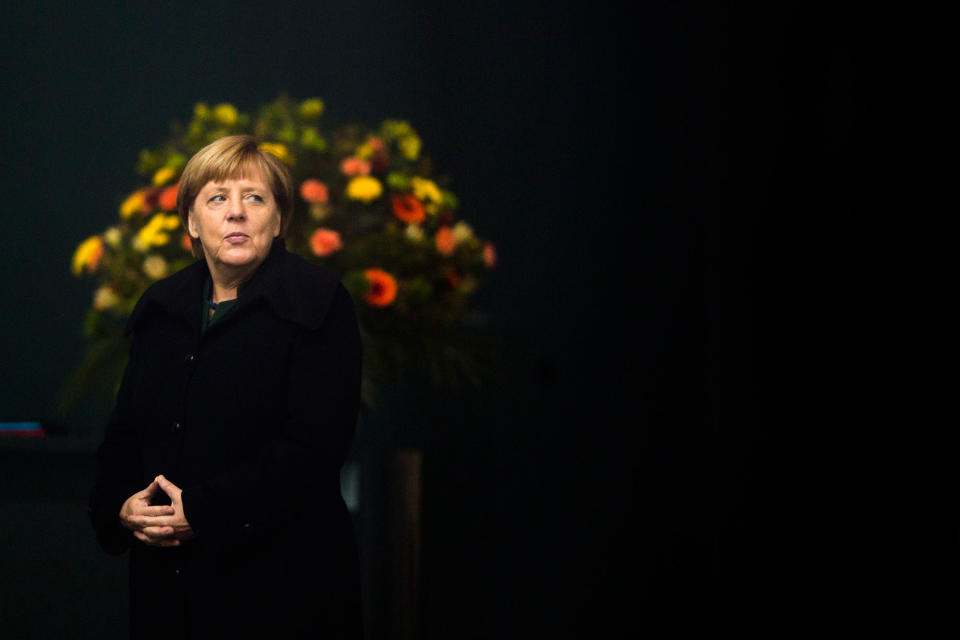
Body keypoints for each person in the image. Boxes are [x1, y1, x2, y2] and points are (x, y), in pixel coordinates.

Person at [88, 135, 363, 639]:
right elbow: (126, 431)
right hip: (167, 588)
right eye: (217, 198)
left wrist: (204, 511)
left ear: (278, 220)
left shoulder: (318, 303)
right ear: (192, 222)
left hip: (283, 588)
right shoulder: (162, 306)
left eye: (254, 198)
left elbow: (314, 450)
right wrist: (122, 504)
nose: (235, 213)